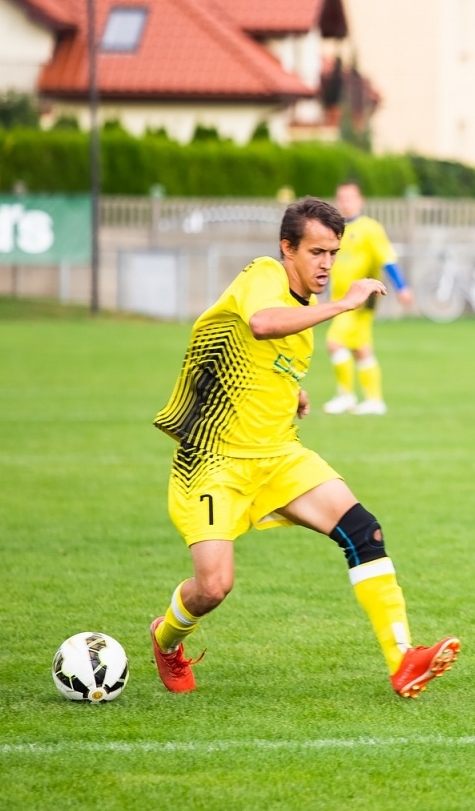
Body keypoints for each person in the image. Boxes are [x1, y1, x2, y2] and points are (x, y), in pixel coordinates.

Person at [148, 197, 459, 697]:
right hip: (213, 464)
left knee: (363, 529)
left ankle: (403, 659)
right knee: (212, 588)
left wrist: (293, 390)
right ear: (287, 247)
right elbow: (261, 324)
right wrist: (344, 304)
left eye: (333, 253)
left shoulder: (306, 306)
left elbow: (264, 357)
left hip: (277, 456)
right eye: (316, 252)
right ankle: (166, 641)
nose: (327, 264)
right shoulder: (263, 273)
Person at [322, 180, 412, 416]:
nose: (345, 202)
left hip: (359, 300)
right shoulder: (336, 229)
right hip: (340, 297)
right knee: (361, 348)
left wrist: (402, 287)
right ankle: (374, 400)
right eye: (341, 198)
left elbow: (387, 258)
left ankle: (346, 396)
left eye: (350, 198)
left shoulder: (369, 228)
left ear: (361, 201)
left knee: (334, 342)